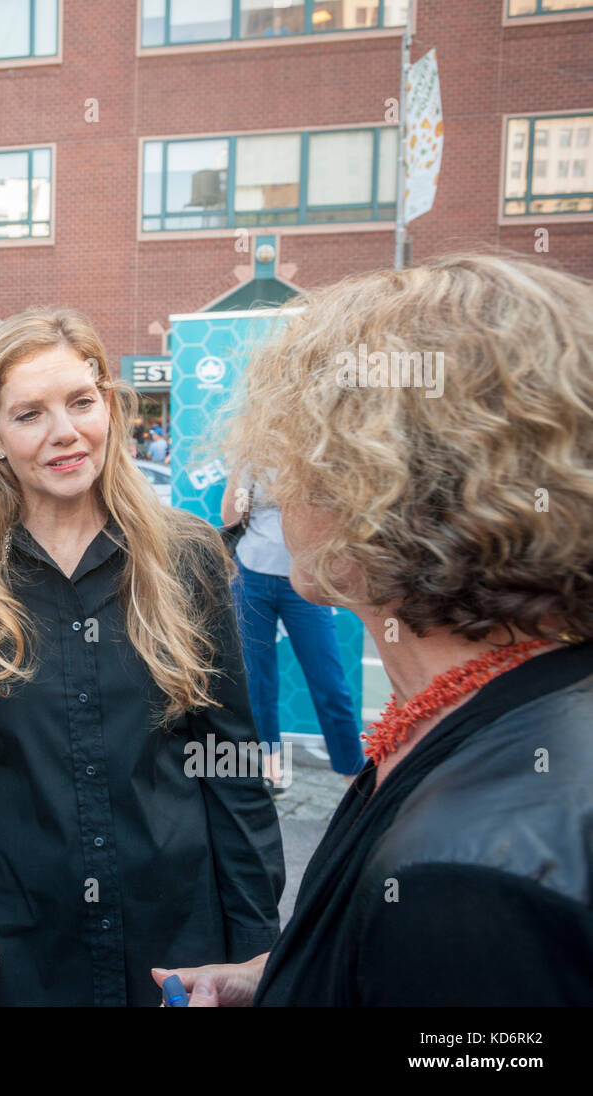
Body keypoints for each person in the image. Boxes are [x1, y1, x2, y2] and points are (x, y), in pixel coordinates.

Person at [155, 254, 593, 1006]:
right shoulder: (513, 713)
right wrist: (281, 982)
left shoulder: (465, 877)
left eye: (292, 455)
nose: (282, 484)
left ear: (375, 484)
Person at [0, 307, 285, 1007]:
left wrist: (257, 946)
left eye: (81, 401)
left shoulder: (185, 556)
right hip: (26, 951)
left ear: (109, 403)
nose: (64, 433)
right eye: (30, 414)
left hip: (178, 947)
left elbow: (231, 760)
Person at [220, 474, 365, 790]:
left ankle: (354, 776)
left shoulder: (312, 449)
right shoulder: (251, 451)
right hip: (251, 577)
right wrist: (240, 484)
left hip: (305, 576)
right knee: (257, 684)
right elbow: (228, 517)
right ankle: (270, 773)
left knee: (329, 683)